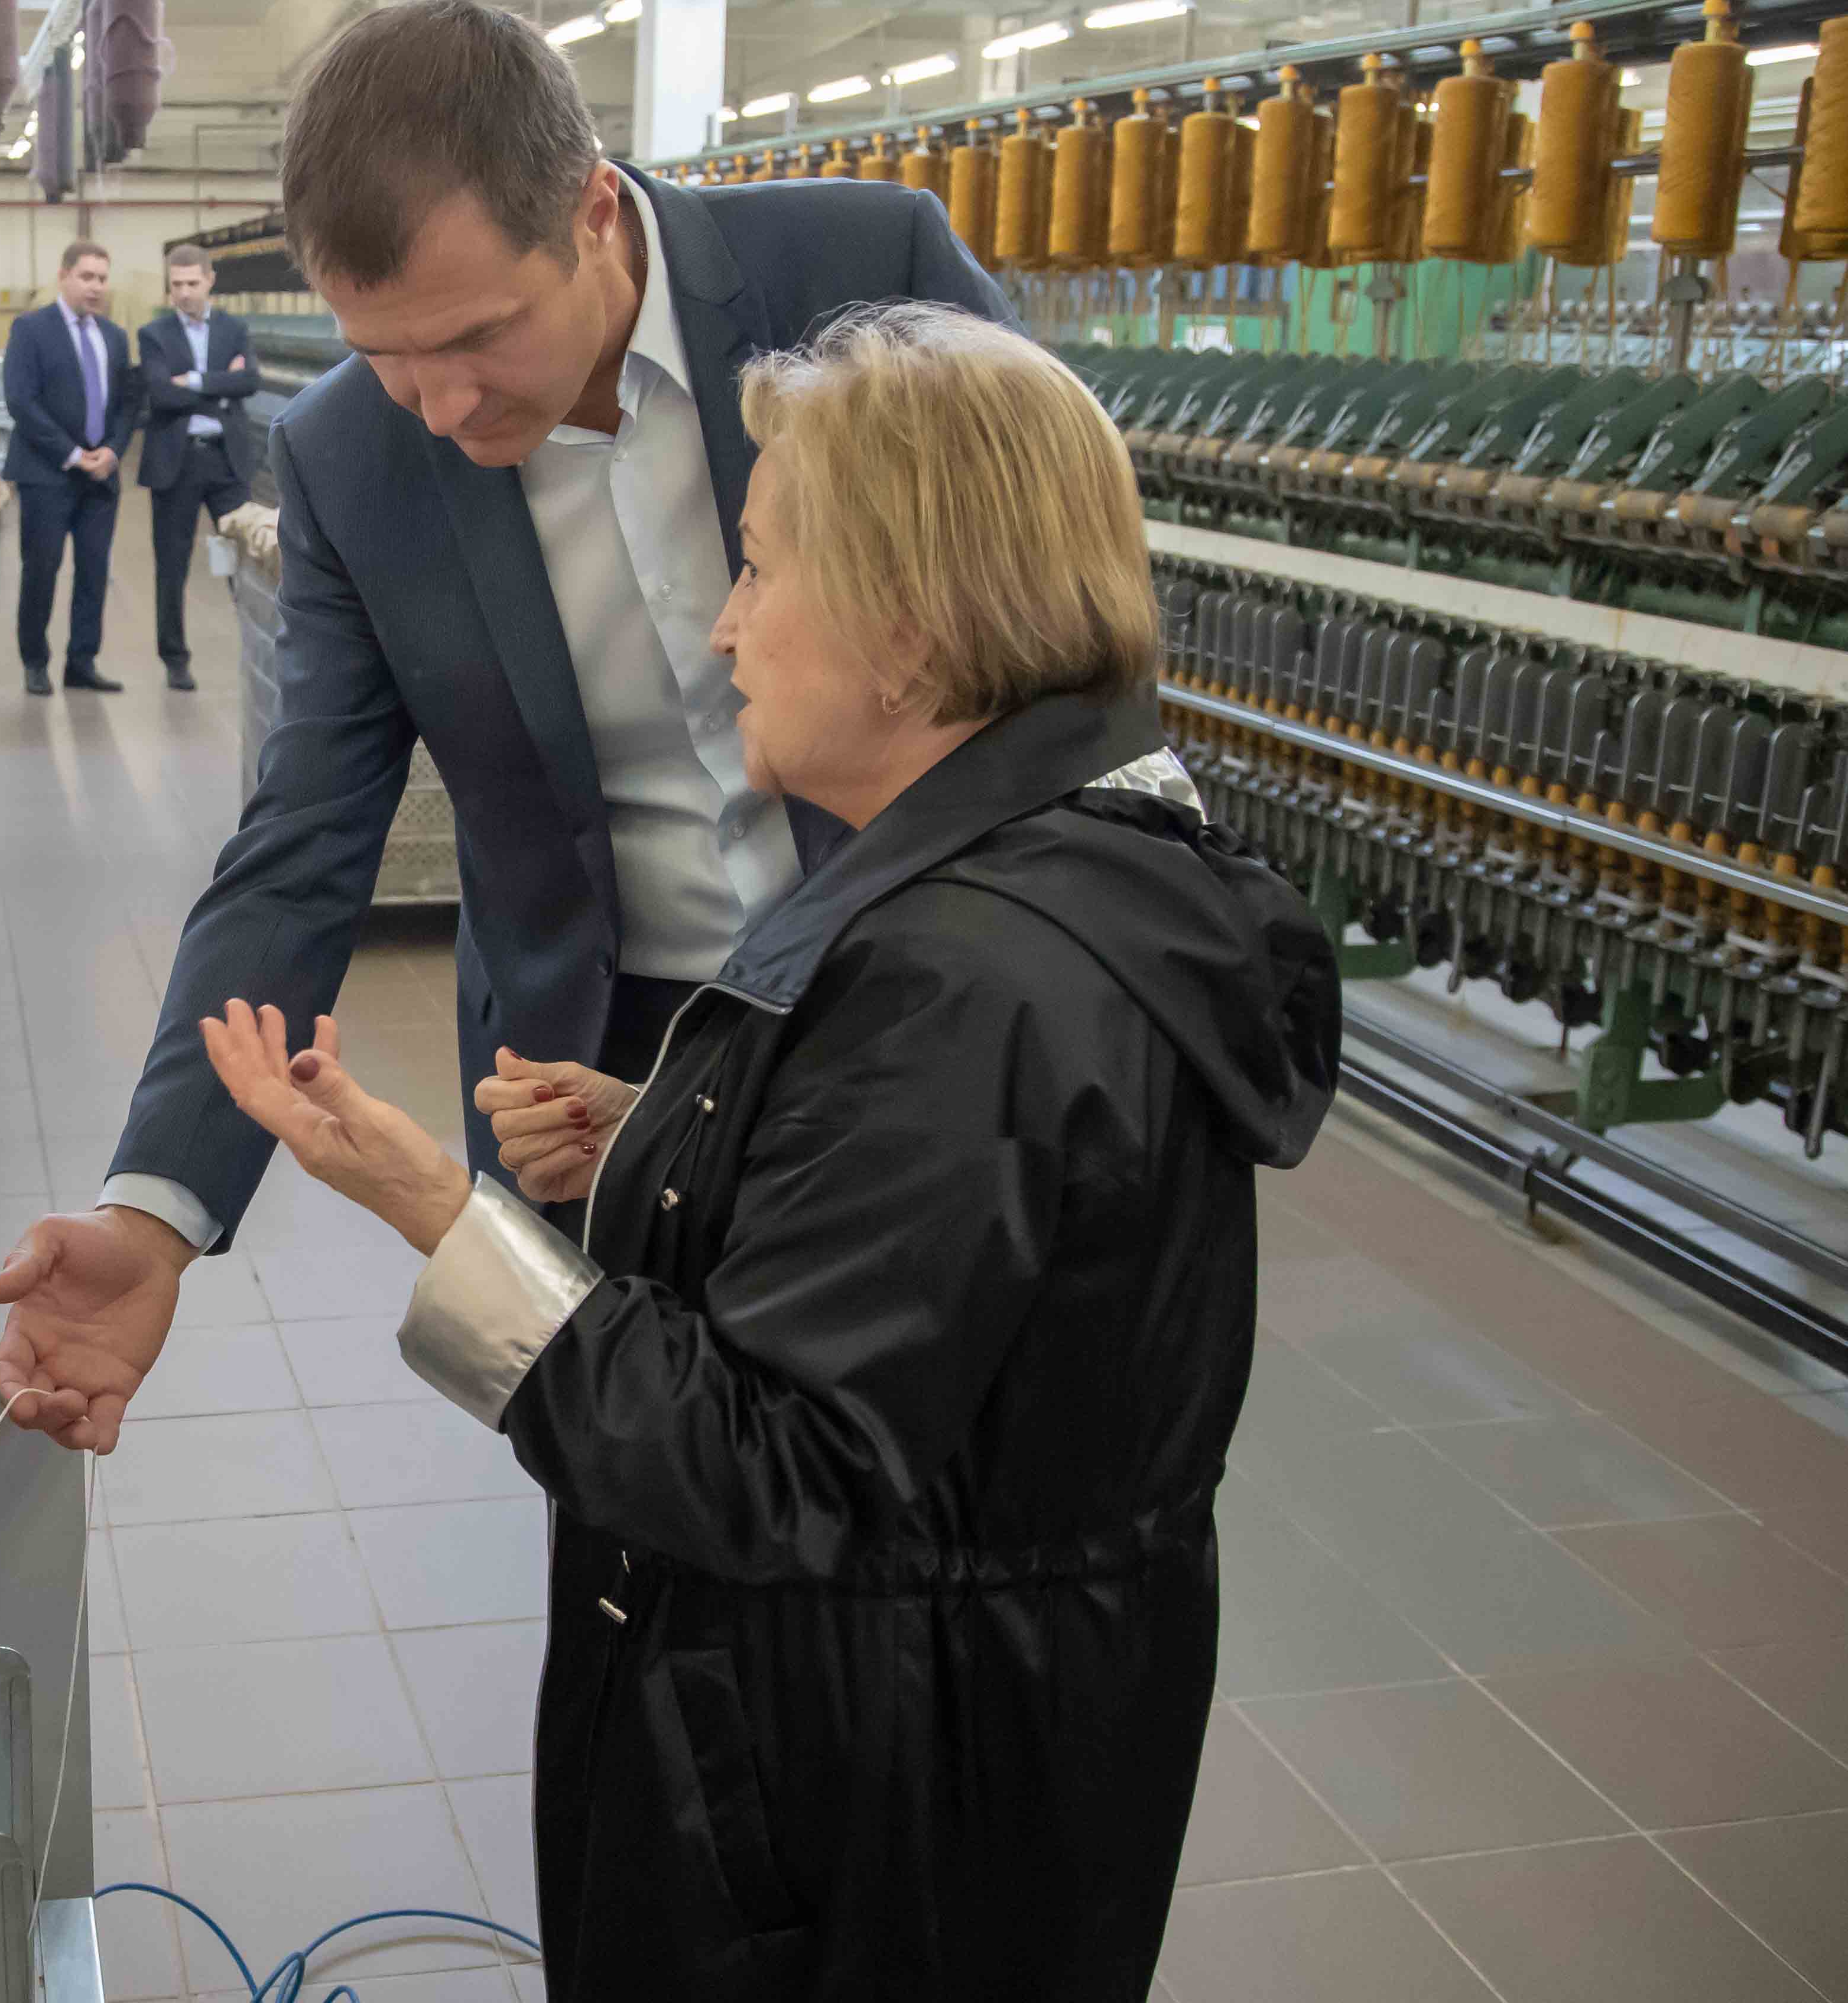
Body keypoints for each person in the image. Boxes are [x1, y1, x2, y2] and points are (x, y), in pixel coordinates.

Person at [200, 304, 1342, 1999]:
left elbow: (764, 1461)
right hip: (974, 1725)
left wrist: (433, 1207)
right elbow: (942, 1260)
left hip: (881, 1793)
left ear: (907, 625)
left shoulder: (968, 978)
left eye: (758, 566)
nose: (725, 625)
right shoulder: (1050, 882)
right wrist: (681, 1131)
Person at [0, 0, 1016, 1454]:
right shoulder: (350, 457)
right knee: (629, 1484)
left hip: (922, 1012)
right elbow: (300, 841)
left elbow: (1055, 617)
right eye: (386, 354)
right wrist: (151, 1212)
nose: (439, 404)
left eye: (477, 336)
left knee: (940, 1459)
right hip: (581, 1079)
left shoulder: (863, 279)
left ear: (592, 213)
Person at [0, 238, 138, 695]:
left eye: (102, 278)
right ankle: (35, 661)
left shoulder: (114, 336)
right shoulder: (31, 329)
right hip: (47, 474)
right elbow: (21, 401)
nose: (95, 287)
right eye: (86, 277)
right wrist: (74, 455)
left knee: (94, 572)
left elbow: (126, 404)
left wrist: (113, 451)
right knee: (41, 570)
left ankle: (82, 662)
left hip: (101, 477)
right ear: (63, 276)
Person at [132, 242, 264, 692]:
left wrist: (192, 381)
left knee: (246, 559)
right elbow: (159, 393)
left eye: (192, 283)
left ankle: (259, 648)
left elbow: (250, 381)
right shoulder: (154, 334)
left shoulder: (233, 328)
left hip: (226, 461)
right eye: (177, 285)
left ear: (210, 281)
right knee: (172, 566)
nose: (185, 293)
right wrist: (221, 388)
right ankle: (175, 659)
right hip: (177, 462)